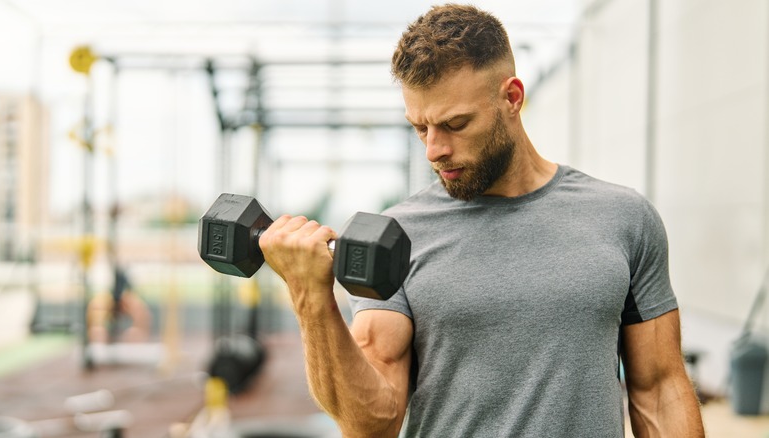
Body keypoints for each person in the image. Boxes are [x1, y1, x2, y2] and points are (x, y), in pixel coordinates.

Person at [258, 4, 705, 437]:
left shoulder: (622, 218)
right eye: (420, 128)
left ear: (512, 97)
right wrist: (309, 296)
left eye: (455, 124)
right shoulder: (395, 237)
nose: (434, 149)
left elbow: (659, 387)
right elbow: (371, 425)